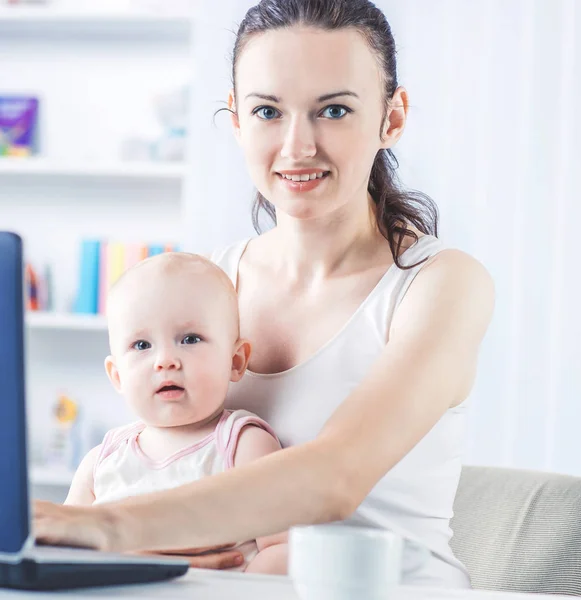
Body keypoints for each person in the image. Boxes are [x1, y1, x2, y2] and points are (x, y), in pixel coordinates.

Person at [35, 0, 494, 587]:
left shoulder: (440, 284)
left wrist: (106, 527)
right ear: (235, 122)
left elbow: (335, 475)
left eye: (333, 110)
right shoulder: (207, 284)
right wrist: (145, 548)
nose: (297, 146)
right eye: (267, 111)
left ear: (392, 117)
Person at [62, 252, 288, 574]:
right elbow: (64, 554)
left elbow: (282, 551)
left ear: (236, 361)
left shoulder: (243, 446)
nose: (165, 360)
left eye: (190, 339)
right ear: (117, 376)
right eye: (141, 345)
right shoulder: (100, 463)